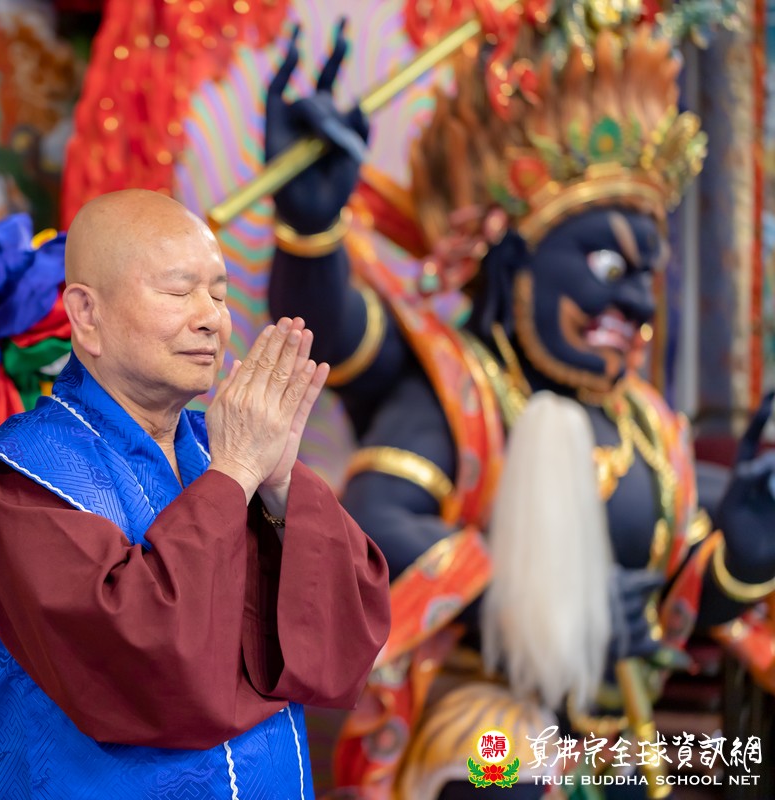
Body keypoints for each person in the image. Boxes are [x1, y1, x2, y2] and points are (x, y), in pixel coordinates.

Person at [260, 7, 775, 800]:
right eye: (608, 266)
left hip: (613, 738)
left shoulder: (649, 428)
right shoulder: (461, 394)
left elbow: (670, 606)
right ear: (514, 264)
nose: (638, 302)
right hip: (484, 721)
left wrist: (743, 554)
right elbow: (377, 523)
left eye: (649, 274)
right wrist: (311, 229)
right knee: (510, 776)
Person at [0, 189, 391, 798]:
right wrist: (237, 474)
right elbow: (148, 666)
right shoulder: (20, 483)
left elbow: (350, 630)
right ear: (87, 314)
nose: (211, 318)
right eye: (178, 291)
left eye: (219, 294)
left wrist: (278, 485)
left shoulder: (222, 450)